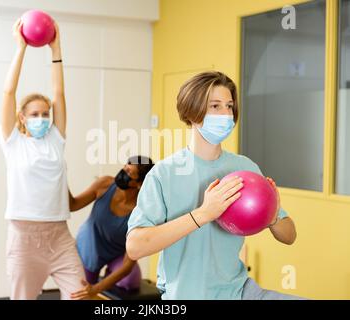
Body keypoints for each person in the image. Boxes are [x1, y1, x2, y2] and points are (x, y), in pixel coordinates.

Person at [126, 71, 304, 300]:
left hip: (240, 292)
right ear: (192, 112)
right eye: (215, 106)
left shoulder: (245, 168)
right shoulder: (164, 174)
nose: (226, 114)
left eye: (229, 106)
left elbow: (289, 236)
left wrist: (273, 218)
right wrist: (203, 214)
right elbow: (135, 247)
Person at [0, 19, 85, 300]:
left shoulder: (55, 139)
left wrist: (56, 49)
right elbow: (8, 93)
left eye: (45, 113)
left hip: (59, 235)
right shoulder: (13, 142)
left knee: (80, 294)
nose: (41, 118)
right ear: (22, 117)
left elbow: (59, 93)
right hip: (24, 238)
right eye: (34, 114)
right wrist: (21, 47)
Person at [68, 156, 154, 300]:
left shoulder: (141, 211)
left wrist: (96, 289)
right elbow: (73, 205)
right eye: (125, 168)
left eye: (129, 173)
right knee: (81, 291)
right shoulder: (105, 184)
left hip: (116, 252)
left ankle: (110, 273)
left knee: (130, 281)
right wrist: (61, 178)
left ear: (139, 184)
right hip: (91, 246)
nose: (123, 173)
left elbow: (127, 265)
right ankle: (99, 274)